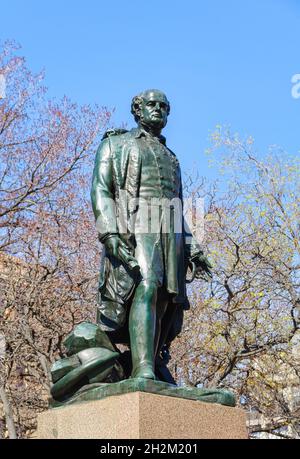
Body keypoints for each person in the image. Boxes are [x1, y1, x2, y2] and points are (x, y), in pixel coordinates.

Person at [91, 89, 211, 380]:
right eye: (151, 104)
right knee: (146, 285)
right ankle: (142, 368)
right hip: (136, 223)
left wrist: (192, 247)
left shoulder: (172, 158)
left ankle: (148, 361)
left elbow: (178, 207)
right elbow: (101, 190)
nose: (158, 109)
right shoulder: (115, 145)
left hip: (169, 230)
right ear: (137, 110)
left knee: (165, 299)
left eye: (164, 106)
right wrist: (110, 234)